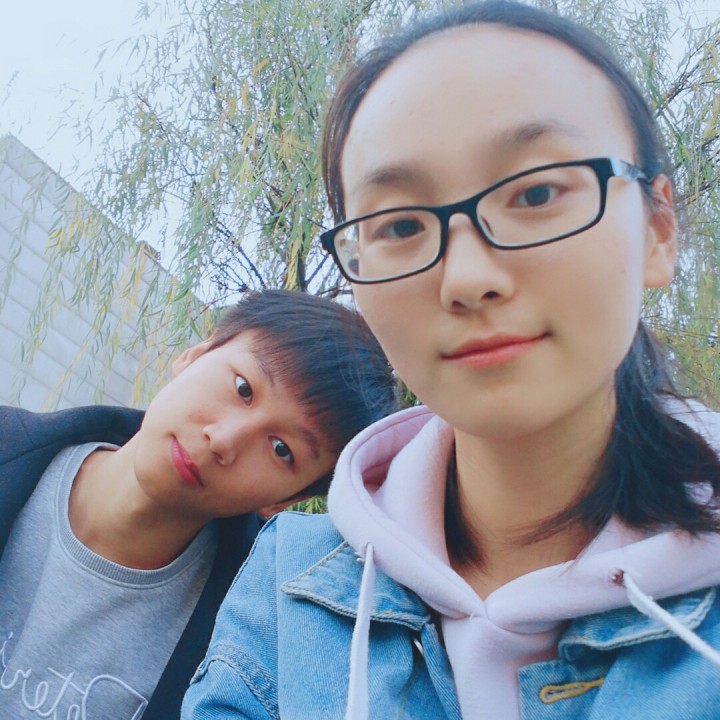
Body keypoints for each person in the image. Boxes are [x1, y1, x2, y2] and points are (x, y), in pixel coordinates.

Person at [181, 3, 720, 719]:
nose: (466, 279)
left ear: (658, 230)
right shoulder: (292, 581)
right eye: (399, 224)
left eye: (536, 192)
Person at [0, 288, 398, 720]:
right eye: (243, 388)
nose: (224, 440)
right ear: (195, 354)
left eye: (281, 449)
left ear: (286, 500)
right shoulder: (10, 447)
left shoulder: (248, 642)